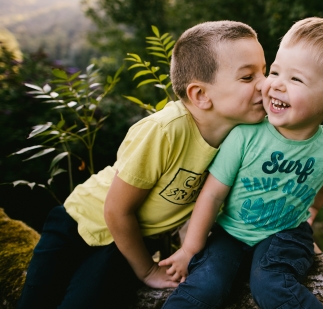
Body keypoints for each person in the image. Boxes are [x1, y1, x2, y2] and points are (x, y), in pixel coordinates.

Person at [17, 20, 267, 309]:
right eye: (248, 77)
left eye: (265, 71)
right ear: (201, 95)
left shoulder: (242, 138)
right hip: (80, 222)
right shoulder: (166, 130)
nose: (266, 83)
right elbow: (116, 209)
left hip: (127, 240)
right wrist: (148, 269)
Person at [160, 17, 323, 309]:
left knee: (271, 285)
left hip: (286, 234)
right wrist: (189, 248)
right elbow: (211, 195)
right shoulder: (244, 136)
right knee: (206, 286)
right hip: (232, 232)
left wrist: (310, 215)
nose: (275, 85)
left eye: (295, 79)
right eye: (275, 71)